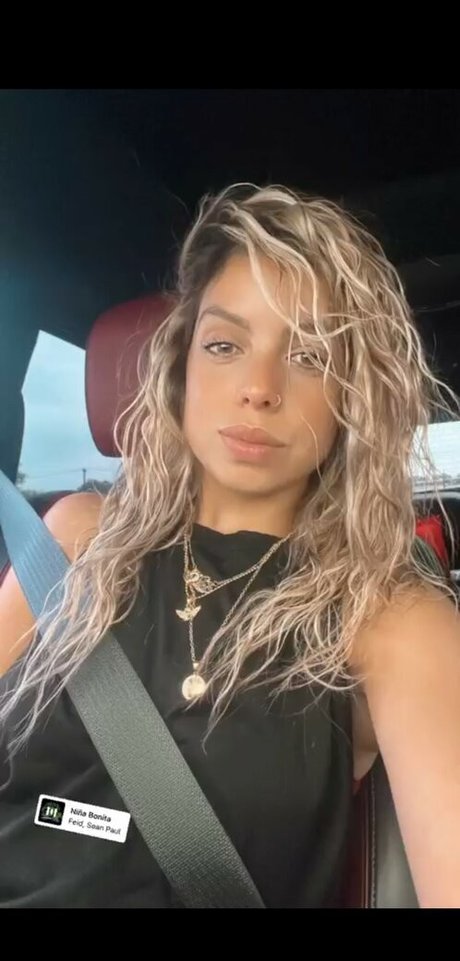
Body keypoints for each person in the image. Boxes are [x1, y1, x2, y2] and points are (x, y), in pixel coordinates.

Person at [1, 183, 460, 909]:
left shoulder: (389, 615)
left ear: (352, 396)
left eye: (309, 355)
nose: (259, 388)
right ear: (180, 367)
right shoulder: (71, 540)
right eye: (224, 345)